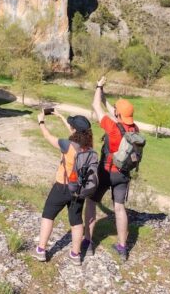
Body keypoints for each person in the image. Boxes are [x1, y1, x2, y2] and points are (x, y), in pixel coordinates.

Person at [84, 76, 138, 262]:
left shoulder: (112, 128)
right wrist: (104, 94)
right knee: (120, 208)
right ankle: (122, 248)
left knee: (91, 202)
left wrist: (98, 86)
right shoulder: (134, 129)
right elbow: (112, 111)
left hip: (106, 172)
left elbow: (96, 105)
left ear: (117, 114)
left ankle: (88, 243)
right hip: (123, 174)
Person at [32, 109, 94, 265]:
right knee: (76, 221)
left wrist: (41, 121)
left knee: (48, 215)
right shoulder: (89, 150)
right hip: (79, 191)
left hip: (62, 187)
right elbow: (75, 134)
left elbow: (47, 136)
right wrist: (60, 116)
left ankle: (41, 250)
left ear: (74, 130)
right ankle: (75, 254)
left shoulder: (67, 145)